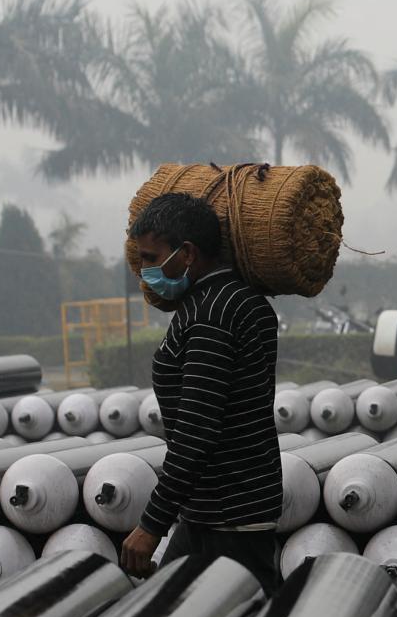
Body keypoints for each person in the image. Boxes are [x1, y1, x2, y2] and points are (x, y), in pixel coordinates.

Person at [118, 193, 282, 589]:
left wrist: (151, 524)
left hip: (228, 515)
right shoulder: (240, 300)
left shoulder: (210, 315)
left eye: (151, 258)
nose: (144, 272)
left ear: (187, 253)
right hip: (216, 508)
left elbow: (196, 431)